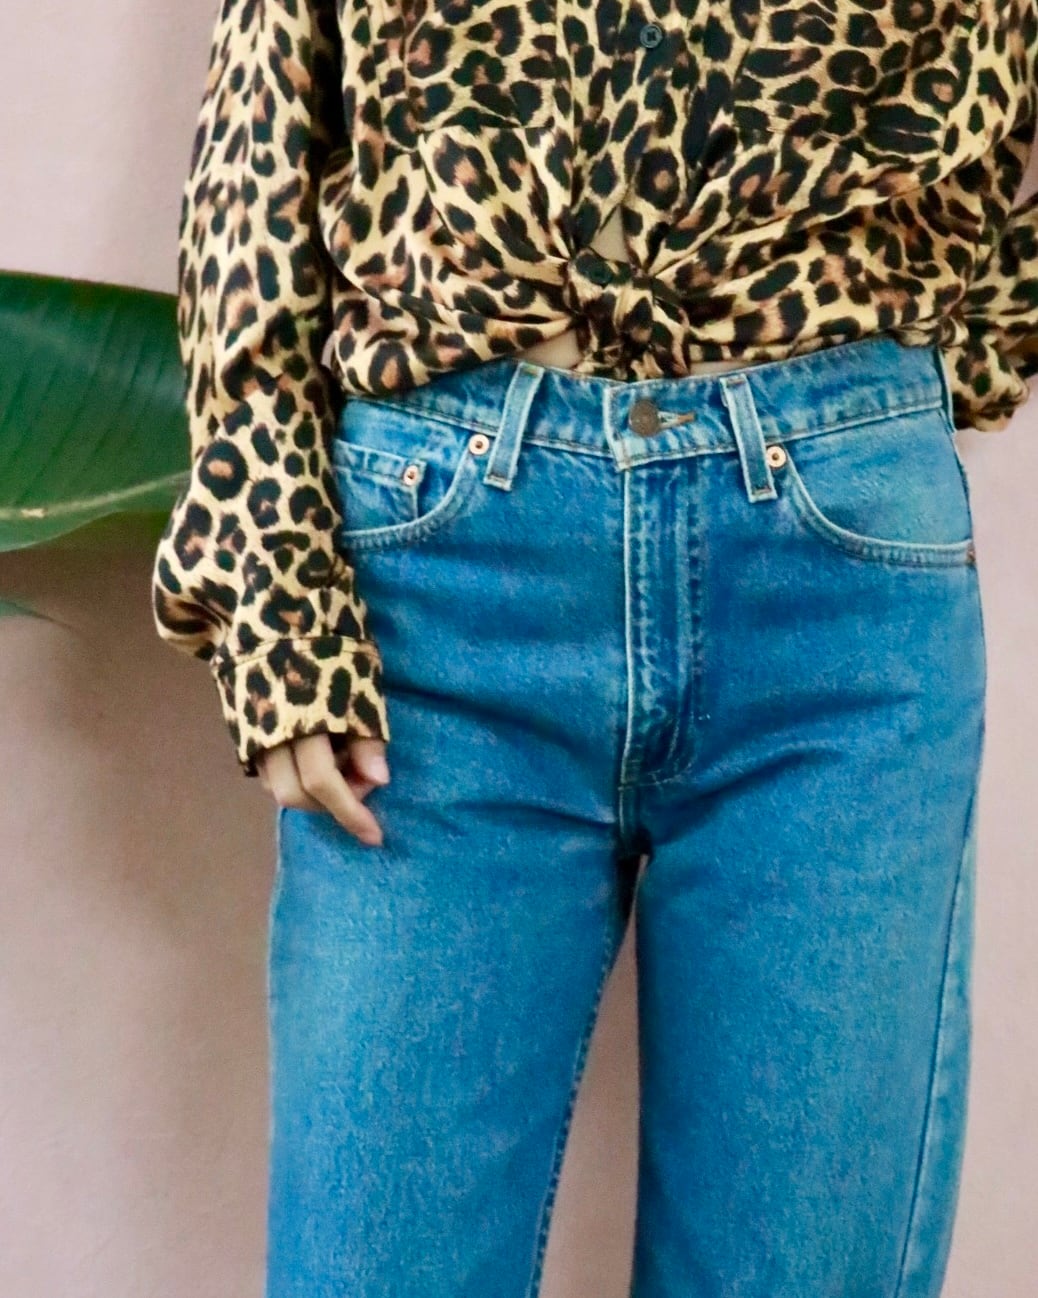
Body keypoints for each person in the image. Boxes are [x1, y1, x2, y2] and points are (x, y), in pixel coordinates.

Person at [152, 1, 1036, 1294]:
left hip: (832, 597)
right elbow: (258, 147)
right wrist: (275, 587)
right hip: (438, 600)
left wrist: (927, 378)